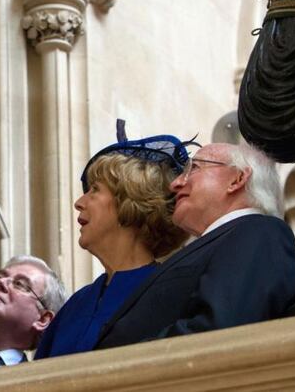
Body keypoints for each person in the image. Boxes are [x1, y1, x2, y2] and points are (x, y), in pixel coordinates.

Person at [96, 143, 295, 349]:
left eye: (193, 168)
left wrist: (121, 363)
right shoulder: (224, 241)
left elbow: (219, 330)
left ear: (237, 179)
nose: (175, 184)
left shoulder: (259, 232)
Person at [35, 135, 192, 359]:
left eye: (95, 190)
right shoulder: (76, 305)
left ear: (130, 200)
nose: (79, 203)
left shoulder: (173, 292)